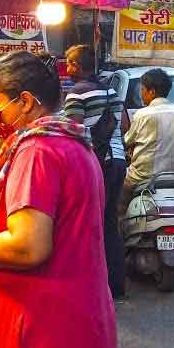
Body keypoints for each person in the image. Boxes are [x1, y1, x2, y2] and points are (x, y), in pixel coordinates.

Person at [0, 52, 117, 348]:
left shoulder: (36, 151)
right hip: (75, 315)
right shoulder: (72, 142)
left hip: (37, 328)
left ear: (25, 102)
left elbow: (28, 246)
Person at [62, 44, 128, 299]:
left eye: (69, 63)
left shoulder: (77, 94)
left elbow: (73, 134)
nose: (67, 69)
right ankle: (116, 284)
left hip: (95, 166)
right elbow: (122, 124)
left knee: (91, 226)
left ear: (77, 66)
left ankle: (95, 286)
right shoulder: (111, 90)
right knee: (110, 224)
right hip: (118, 160)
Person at [121, 69, 174, 212]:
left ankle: (121, 230)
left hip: (143, 177)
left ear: (151, 92)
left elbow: (127, 140)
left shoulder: (142, 114)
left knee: (119, 202)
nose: (141, 93)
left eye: (143, 89)